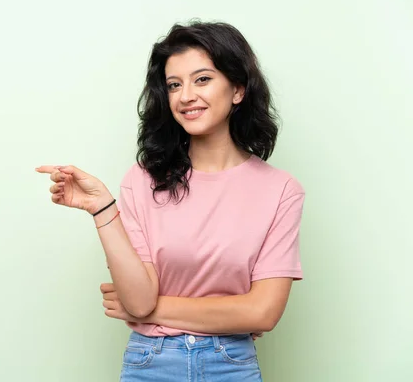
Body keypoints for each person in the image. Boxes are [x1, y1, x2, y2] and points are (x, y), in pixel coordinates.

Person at [36, 20, 305, 382]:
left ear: (238, 89)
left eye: (203, 79)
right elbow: (139, 298)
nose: (185, 95)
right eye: (174, 85)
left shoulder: (281, 190)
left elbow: (262, 313)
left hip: (232, 366)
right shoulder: (143, 179)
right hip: (151, 363)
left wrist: (150, 310)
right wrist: (103, 209)